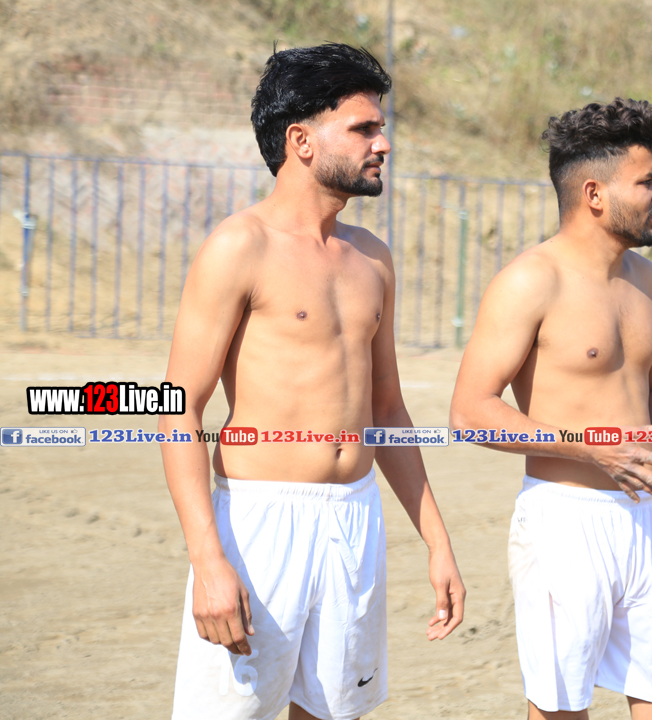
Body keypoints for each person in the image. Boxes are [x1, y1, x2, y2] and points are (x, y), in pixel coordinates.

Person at [160, 43, 465, 720]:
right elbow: (177, 410)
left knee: (332, 714)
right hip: (261, 522)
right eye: (363, 128)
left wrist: (437, 541)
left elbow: (387, 408)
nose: (383, 144)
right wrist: (208, 560)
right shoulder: (240, 246)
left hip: (354, 518)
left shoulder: (373, 259)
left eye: (381, 127)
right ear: (301, 140)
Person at [449, 98, 652, 720]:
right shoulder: (531, 280)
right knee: (561, 713)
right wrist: (589, 448)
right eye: (648, 181)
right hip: (564, 525)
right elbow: (470, 412)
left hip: (644, 520)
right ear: (594, 194)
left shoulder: (645, 280)